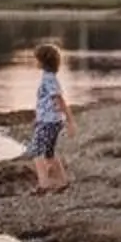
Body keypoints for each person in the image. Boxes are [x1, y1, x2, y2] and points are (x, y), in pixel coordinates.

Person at [24, 42, 72, 194]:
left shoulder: (48, 79)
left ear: (43, 62)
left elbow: (58, 99)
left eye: (36, 59)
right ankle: (62, 182)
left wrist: (70, 121)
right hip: (50, 120)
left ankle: (44, 184)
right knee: (49, 153)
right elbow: (47, 102)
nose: (35, 62)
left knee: (36, 151)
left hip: (48, 122)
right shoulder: (49, 77)